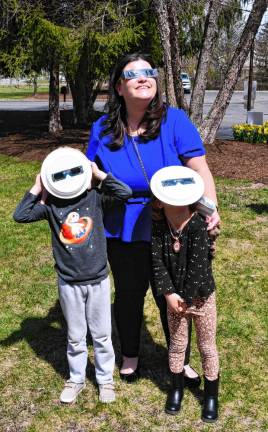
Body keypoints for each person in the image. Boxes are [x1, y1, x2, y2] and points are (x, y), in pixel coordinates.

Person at [86, 52, 220, 382]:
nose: (145, 77)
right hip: (123, 227)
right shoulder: (102, 129)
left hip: (173, 225)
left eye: (150, 72)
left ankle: (181, 357)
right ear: (119, 87)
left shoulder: (174, 120)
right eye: (135, 74)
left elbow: (198, 167)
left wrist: (211, 208)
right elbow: (88, 174)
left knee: (173, 296)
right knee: (130, 294)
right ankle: (130, 354)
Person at [13, 147, 132, 404]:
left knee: (101, 334)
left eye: (74, 170)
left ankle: (105, 380)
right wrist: (38, 186)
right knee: (76, 336)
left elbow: (125, 193)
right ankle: (76, 378)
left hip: (98, 279)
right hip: (68, 282)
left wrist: (98, 174)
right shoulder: (52, 207)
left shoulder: (96, 199)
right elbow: (20, 215)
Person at [150, 166, 219, 422]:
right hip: (175, 300)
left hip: (201, 298)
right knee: (178, 346)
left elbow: (198, 268)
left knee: (206, 347)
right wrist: (169, 294)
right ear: (159, 201)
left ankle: (210, 396)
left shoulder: (198, 226)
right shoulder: (158, 229)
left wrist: (187, 299)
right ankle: (176, 389)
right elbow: (157, 264)